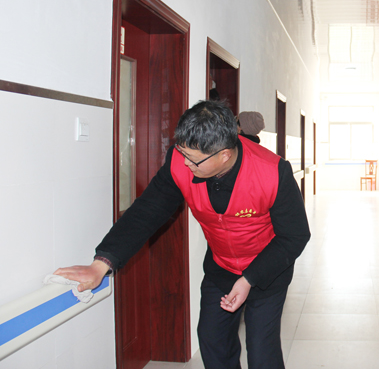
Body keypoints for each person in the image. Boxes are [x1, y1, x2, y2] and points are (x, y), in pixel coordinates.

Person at [55, 100, 311, 369]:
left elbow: (294, 236)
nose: (186, 163)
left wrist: (249, 279)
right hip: (221, 267)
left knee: (262, 351)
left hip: (267, 270)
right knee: (212, 341)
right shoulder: (181, 162)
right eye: (182, 152)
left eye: (194, 159)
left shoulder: (273, 172)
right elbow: (148, 210)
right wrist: (102, 263)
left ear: (224, 155)